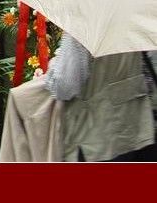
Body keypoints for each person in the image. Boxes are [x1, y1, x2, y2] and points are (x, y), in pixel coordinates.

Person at [44, 32, 155, 161]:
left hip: (97, 137)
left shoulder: (83, 27)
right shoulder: (136, 21)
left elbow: (64, 87)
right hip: (138, 126)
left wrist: (53, 66)